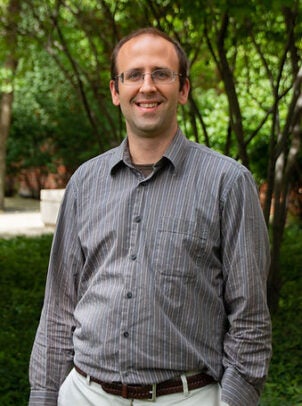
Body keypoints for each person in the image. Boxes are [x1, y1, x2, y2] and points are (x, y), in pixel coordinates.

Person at [29, 27, 272, 406]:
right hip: (83, 394)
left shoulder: (228, 183)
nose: (147, 86)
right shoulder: (84, 183)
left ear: (184, 89)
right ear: (115, 91)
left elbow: (251, 318)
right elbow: (58, 309)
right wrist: (43, 397)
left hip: (186, 396)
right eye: (133, 75)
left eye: (161, 73)